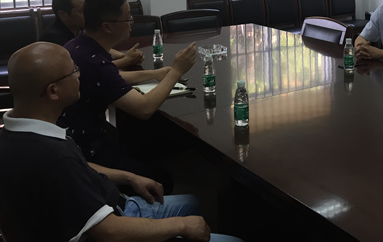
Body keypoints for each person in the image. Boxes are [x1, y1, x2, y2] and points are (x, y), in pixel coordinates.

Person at [0, 42, 242, 242]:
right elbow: (109, 232)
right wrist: (182, 225)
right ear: (53, 91)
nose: (80, 75)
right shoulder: (52, 157)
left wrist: (129, 177)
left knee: (192, 202)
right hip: (112, 223)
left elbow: (80, 165)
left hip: (115, 204)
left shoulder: (19, 132)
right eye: (73, 71)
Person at [58, 0, 197, 191]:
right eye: (128, 18)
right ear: (107, 27)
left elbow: (111, 77)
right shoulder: (93, 60)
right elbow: (144, 108)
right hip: (86, 151)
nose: (132, 22)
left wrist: (154, 74)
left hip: (80, 136)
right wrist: (177, 71)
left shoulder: (79, 45)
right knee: (161, 177)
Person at [40, 0, 147, 71]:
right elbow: (88, 69)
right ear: (63, 15)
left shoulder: (78, 28)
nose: (90, 13)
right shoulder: (54, 39)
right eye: (82, 11)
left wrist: (123, 56)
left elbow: (98, 48)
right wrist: (127, 60)